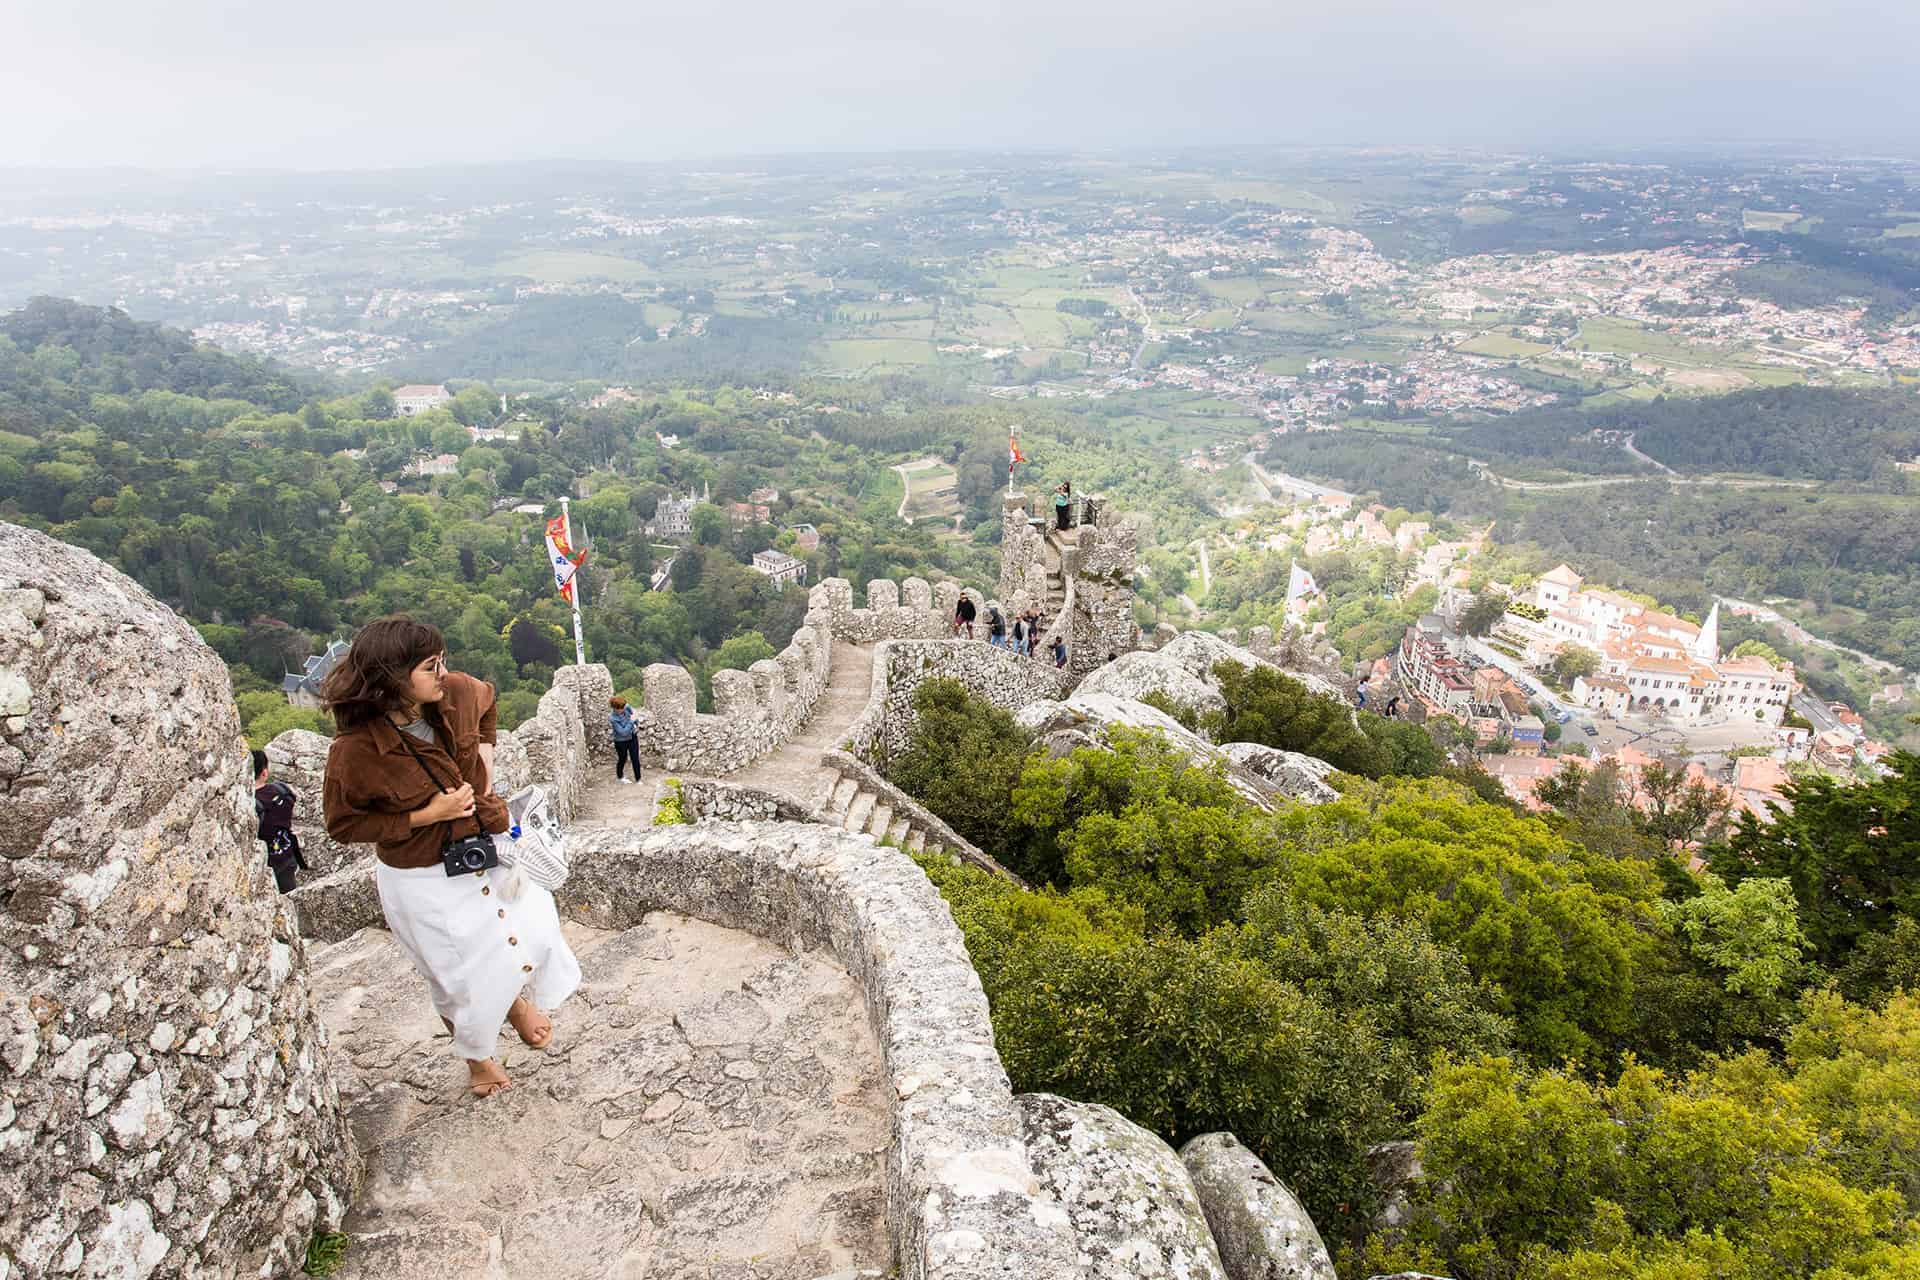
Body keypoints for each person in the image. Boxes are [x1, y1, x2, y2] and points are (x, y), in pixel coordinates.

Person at [321, 616, 580, 1099]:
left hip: (484, 846)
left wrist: (484, 760)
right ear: (391, 678)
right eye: (429, 666)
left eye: (442, 660)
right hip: (422, 875)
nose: (443, 673)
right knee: (458, 974)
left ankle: (513, 1003)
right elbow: (343, 825)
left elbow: (487, 700)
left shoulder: (455, 693)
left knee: (531, 932)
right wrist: (425, 815)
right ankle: (478, 1058)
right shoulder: (355, 752)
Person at [252, 748, 310, 895]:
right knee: (289, 896)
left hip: (263, 864)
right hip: (287, 854)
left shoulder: (249, 803)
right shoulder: (281, 790)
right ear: (264, 772)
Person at [608, 696, 641, 785]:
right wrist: (631, 722)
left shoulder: (626, 706)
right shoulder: (613, 718)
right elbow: (623, 732)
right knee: (622, 759)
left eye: (623, 707)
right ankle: (620, 776)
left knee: (635, 758)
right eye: (620, 709)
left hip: (632, 737)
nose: (623, 710)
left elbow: (634, 715)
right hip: (621, 741)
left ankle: (638, 779)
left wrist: (637, 725)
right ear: (615, 708)